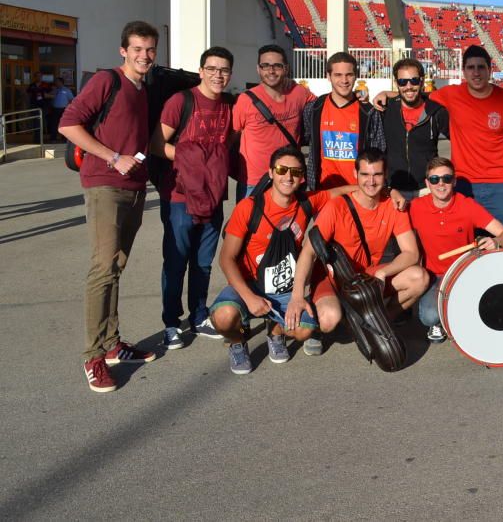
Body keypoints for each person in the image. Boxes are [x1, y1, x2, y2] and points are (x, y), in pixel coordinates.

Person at [58, 20, 158, 392]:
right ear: (123, 51)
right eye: (137, 49)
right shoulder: (107, 81)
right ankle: (92, 357)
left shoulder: (142, 89)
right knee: (103, 269)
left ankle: (112, 343)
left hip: (133, 188)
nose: (144, 56)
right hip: (104, 185)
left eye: (150, 50)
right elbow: (69, 124)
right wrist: (112, 156)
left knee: (116, 265)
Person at [287, 150, 428, 353]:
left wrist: (383, 273)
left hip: (365, 277)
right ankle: (325, 319)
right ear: (355, 174)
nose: (371, 181)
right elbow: (308, 252)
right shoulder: (337, 206)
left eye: (377, 175)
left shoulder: (393, 205)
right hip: (333, 278)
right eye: (365, 174)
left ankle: (376, 324)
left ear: (385, 175)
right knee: (329, 320)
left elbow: (411, 253)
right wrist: (297, 296)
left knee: (419, 277)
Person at [374, 45, 503, 236]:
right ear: (464, 71)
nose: (476, 73)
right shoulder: (451, 95)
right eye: (471, 68)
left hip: (500, 184)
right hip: (463, 182)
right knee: (467, 243)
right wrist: (387, 94)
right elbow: (415, 95)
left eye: (481, 67)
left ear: (490, 69)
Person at [209, 146, 329, 374]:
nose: (288, 176)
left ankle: (275, 332)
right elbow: (226, 259)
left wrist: (388, 190)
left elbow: (346, 191)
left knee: (304, 330)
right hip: (250, 282)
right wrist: (249, 297)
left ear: (302, 178)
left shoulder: (306, 203)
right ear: (271, 172)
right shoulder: (249, 207)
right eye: (282, 169)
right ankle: (237, 342)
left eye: (295, 172)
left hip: (283, 287)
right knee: (224, 317)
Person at [150, 46, 235, 350]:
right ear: (201, 71)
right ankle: (171, 323)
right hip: (180, 195)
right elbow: (157, 144)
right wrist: (194, 165)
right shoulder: (181, 101)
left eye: (224, 70)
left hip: (213, 196)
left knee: (203, 262)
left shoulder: (229, 105)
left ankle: (199, 316)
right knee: (176, 261)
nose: (218, 75)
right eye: (211, 69)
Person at [408, 157, 503, 342]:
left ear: (454, 181)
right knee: (429, 317)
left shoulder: (467, 205)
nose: (441, 184)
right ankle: (442, 320)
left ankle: (459, 316)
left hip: (465, 272)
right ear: (427, 183)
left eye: (446, 179)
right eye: (434, 179)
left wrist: (496, 241)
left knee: (489, 308)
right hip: (435, 276)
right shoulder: (416, 207)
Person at [232, 44, 314, 198]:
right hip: (254, 182)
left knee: (290, 223)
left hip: (289, 179)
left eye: (277, 65)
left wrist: (358, 98)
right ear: (258, 69)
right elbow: (232, 137)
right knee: (250, 222)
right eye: (265, 66)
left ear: (286, 69)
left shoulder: (299, 92)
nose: (271, 71)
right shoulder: (245, 100)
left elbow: (325, 105)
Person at [301, 51, 385, 192]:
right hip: (323, 192)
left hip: (358, 192)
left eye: (349, 75)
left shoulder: (369, 112)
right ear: (328, 76)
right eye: (338, 75)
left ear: (356, 76)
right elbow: (307, 139)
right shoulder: (315, 108)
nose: (344, 80)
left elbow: (379, 153)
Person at [382, 58, 449, 203]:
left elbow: (462, 138)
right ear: (396, 83)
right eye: (402, 82)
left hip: (427, 189)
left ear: (422, 81)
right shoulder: (385, 109)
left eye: (414, 80)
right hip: (394, 191)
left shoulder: (436, 111)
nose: (408, 86)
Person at [49, 77, 74, 141]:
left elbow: (72, 99)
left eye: (57, 81)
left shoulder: (66, 90)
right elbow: (50, 97)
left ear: (61, 82)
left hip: (64, 109)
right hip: (55, 109)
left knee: (64, 124)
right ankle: (53, 138)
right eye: (55, 82)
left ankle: (64, 138)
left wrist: (69, 109)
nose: (56, 83)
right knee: (54, 124)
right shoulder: (54, 90)